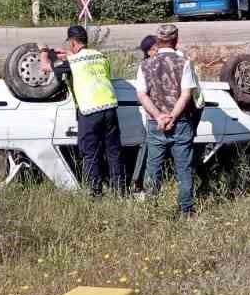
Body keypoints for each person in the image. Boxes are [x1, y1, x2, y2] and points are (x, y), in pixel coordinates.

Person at [39, 26, 124, 196]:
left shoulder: (73, 62)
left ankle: (96, 192)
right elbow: (89, 67)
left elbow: (45, 67)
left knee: (90, 153)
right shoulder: (101, 56)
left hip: (90, 110)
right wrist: (68, 56)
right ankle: (119, 191)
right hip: (110, 107)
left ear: (72, 42)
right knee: (113, 151)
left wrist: (43, 51)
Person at [133, 24, 203, 215]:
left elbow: (142, 94)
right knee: (184, 169)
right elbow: (186, 94)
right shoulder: (184, 63)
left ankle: (150, 209)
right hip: (180, 123)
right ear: (176, 39)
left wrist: (158, 116)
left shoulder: (145, 65)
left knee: (153, 167)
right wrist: (172, 116)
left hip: (156, 124)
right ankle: (186, 210)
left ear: (158, 40)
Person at [131, 34, 160, 196]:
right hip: (151, 114)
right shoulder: (146, 66)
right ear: (150, 51)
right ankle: (138, 182)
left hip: (154, 113)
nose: (160, 51)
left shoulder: (151, 64)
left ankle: (141, 183)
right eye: (156, 48)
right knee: (148, 148)